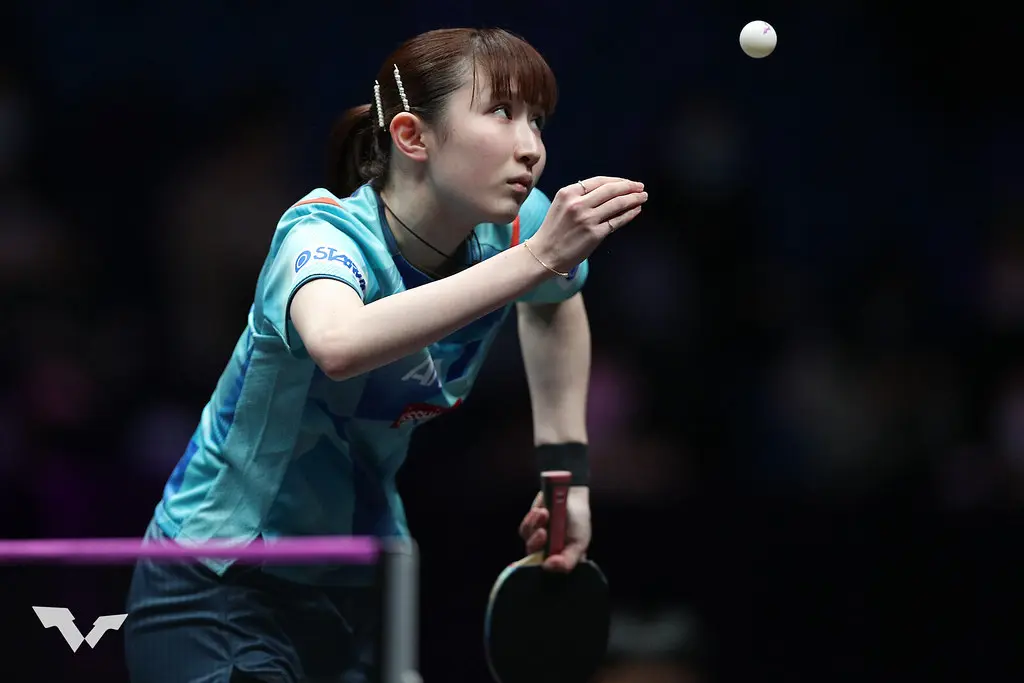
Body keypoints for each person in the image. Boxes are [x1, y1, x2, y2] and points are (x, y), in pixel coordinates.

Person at [123, 27, 648, 683]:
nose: (531, 147)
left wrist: (565, 479)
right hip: (220, 581)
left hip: (359, 578)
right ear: (411, 136)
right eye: (501, 112)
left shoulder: (516, 228)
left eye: (537, 120)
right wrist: (537, 259)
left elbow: (555, 304)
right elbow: (339, 343)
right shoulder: (323, 237)